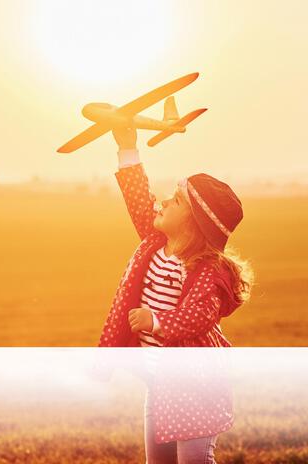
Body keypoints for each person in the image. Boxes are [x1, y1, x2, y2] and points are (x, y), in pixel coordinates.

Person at [98, 126, 254, 463]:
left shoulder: (207, 269)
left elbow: (201, 315)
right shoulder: (156, 242)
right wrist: (128, 148)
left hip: (197, 386)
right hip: (162, 385)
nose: (163, 202)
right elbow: (140, 201)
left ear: (194, 223)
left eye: (176, 200)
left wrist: (155, 320)